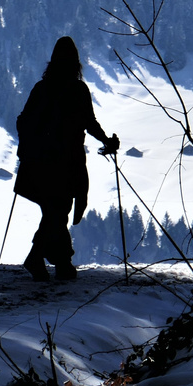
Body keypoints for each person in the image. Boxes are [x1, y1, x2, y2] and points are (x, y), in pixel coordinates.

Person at [14, 36, 118, 282]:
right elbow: (88, 122)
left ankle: (62, 262)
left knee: (53, 211)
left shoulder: (41, 88)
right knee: (58, 212)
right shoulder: (77, 89)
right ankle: (39, 257)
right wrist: (106, 140)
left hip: (38, 162)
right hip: (65, 162)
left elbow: (23, 120)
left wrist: (27, 149)